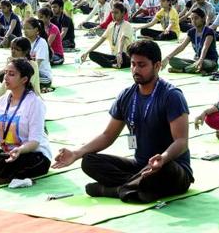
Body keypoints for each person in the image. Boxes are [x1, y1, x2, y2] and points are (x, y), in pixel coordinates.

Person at [52, 40, 193, 203]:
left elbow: (182, 141)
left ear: (157, 66)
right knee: (89, 161)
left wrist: (164, 158)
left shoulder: (171, 96)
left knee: (163, 170)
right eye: (133, 64)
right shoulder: (126, 96)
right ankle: (134, 186)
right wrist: (76, 153)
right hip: (140, 166)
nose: (135, 70)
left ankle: (115, 189)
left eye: (142, 65)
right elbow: (107, 135)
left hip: (170, 167)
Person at [0, 37, 41, 117]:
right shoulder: (11, 63)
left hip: (28, 101)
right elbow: (2, 90)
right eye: (11, 48)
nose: (13, 51)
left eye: (17, 49)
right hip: (15, 99)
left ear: (25, 51)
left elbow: (27, 89)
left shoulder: (32, 65)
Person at [162, 7, 219, 75]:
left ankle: (182, 70)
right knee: (172, 61)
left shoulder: (209, 31)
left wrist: (201, 60)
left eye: (196, 18)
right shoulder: (191, 32)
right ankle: (195, 68)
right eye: (192, 18)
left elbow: (205, 47)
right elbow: (181, 47)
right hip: (196, 61)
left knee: (204, 64)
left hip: (209, 61)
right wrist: (167, 57)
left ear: (203, 19)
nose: (194, 21)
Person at [81, 2, 135, 69]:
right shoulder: (111, 25)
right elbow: (100, 41)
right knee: (92, 54)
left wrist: (119, 53)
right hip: (115, 56)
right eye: (112, 12)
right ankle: (112, 64)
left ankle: (112, 63)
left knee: (123, 55)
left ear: (123, 13)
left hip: (124, 56)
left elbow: (122, 39)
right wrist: (86, 52)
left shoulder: (127, 25)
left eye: (116, 13)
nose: (113, 15)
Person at [22, 18, 53, 90]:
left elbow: (36, 65)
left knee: (18, 78)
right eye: (24, 28)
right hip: (29, 72)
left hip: (42, 76)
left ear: (36, 30)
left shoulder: (41, 42)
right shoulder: (24, 41)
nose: (25, 31)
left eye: (28, 28)